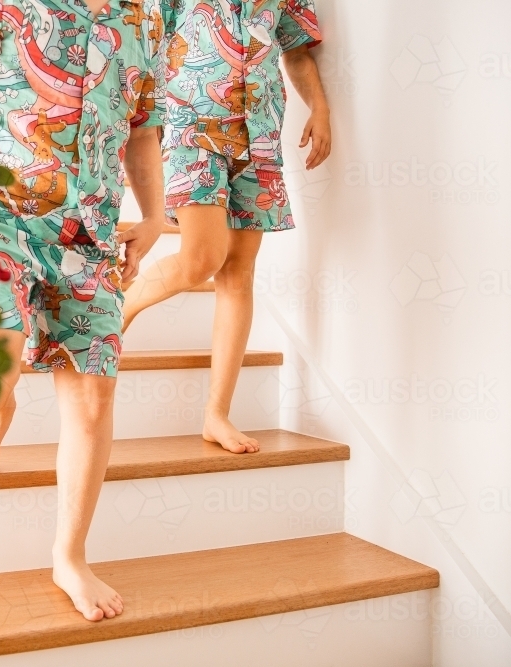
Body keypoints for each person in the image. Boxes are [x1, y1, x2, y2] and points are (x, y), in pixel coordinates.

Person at [0, 0, 169, 622]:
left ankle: (69, 555)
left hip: (87, 230)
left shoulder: (144, 21)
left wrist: (153, 218)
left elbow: (143, 131)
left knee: (95, 399)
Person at [122, 0, 330, 454]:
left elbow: (295, 50)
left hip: (259, 133)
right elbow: (148, 42)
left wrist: (320, 109)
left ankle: (217, 414)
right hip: (189, 125)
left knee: (238, 273)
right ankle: (123, 305)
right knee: (202, 259)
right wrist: (137, 124)